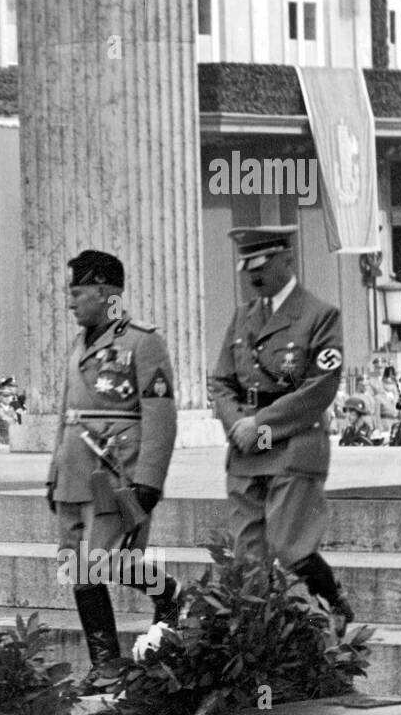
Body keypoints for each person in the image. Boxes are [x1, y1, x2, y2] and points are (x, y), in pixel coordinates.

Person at [208, 225, 354, 634]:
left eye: (261, 263)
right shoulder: (242, 316)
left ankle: (333, 603)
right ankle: (263, 638)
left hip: (294, 441)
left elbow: (320, 387)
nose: (252, 275)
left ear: (286, 259)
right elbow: (220, 380)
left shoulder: (320, 315)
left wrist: (262, 424)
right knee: (246, 556)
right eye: (246, 266)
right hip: (245, 447)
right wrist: (237, 422)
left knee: (291, 546)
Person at [46, 249, 181, 682]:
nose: (70, 302)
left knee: (99, 560)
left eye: (78, 292)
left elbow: (161, 415)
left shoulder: (142, 341)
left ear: (105, 291)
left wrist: (150, 480)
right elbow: (69, 412)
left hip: (114, 475)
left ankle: (170, 594)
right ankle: (105, 663)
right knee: (77, 565)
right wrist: (53, 473)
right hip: (73, 474)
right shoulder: (78, 345)